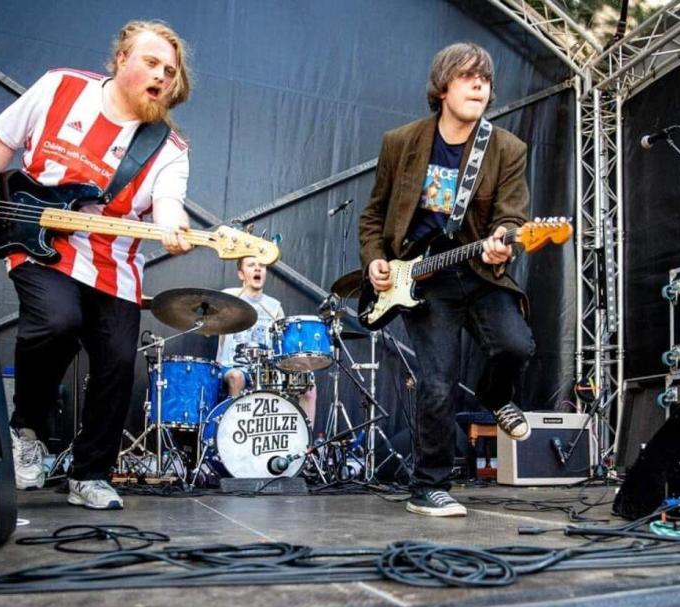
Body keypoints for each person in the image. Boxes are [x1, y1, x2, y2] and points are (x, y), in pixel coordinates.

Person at [0, 20, 194, 510]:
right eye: (151, 62)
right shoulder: (60, 87)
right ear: (121, 60)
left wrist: (174, 226)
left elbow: (167, 202)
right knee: (57, 319)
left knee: (118, 362)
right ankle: (26, 428)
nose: (162, 75)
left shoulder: (168, 149)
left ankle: (90, 475)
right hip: (36, 239)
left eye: (170, 70)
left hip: (113, 262)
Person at [358, 43, 536, 517]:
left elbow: (513, 218)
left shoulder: (506, 149)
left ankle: (496, 396)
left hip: (478, 271)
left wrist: (505, 240)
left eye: (485, 79)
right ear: (442, 87)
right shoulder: (401, 142)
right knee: (437, 384)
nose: (480, 85)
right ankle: (429, 486)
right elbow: (374, 215)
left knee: (516, 346)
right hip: (421, 279)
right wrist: (376, 259)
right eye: (467, 77)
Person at [216, 256, 317, 426]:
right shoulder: (229, 297)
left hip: (264, 370)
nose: (257, 269)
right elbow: (210, 325)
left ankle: (307, 446)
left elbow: (283, 346)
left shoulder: (274, 307)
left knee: (309, 384)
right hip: (230, 366)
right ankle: (233, 432)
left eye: (261, 266)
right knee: (237, 377)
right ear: (241, 274)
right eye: (251, 265)